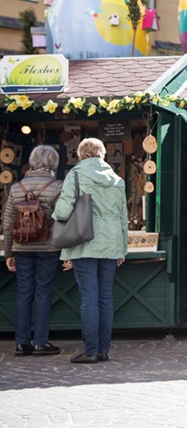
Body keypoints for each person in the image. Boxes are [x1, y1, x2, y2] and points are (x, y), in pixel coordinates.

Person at [52, 138, 127, 363]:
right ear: (102, 154)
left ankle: (91, 350)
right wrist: (122, 248)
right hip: (111, 242)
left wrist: (55, 216)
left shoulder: (75, 174)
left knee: (89, 298)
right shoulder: (117, 179)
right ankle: (103, 349)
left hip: (85, 241)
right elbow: (123, 216)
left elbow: (64, 211)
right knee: (105, 297)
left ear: (80, 154)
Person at [2, 145, 64, 357]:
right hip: (48, 248)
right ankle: (40, 342)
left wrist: (8, 252)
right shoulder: (58, 186)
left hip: (21, 247)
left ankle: (21, 343)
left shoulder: (16, 187)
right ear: (53, 163)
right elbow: (62, 221)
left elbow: (8, 222)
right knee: (43, 293)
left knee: (23, 292)